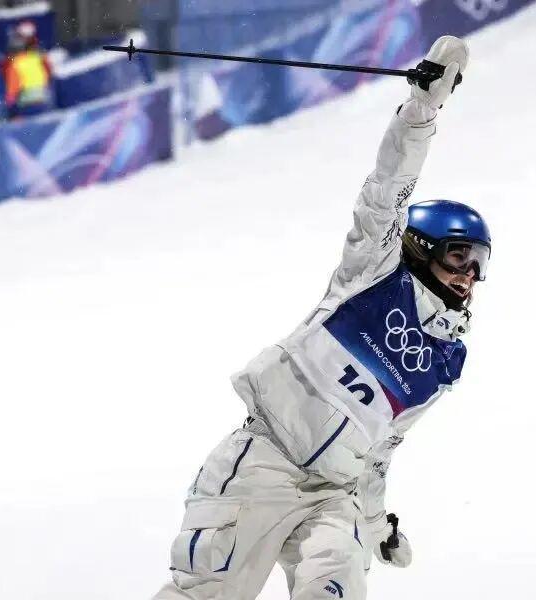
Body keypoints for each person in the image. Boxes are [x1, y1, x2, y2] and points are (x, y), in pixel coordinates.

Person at [152, 35, 489, 600]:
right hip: (265, 462)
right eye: (460, 256)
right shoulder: (375, 271)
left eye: (480, 263)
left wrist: (377, 527)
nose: (469, 274)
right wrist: (422, 111)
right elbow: (386, 188)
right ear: (421, 245)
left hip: (333, 496)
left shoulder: (444, 361)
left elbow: (380, 452)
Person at [1, 20, 52, 120]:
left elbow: (12, 88)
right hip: (44, 99)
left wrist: (10, 104)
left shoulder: (15, 63)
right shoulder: (39, 57)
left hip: (26, 103)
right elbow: (48, 75)